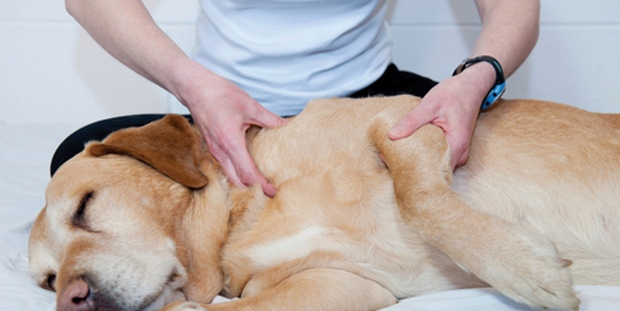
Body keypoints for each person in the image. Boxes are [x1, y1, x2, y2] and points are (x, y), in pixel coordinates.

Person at [55, 0, 540, 198]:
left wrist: (476, 78)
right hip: (221, 113)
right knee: (78, 163)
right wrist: (192, 84)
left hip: (363, 108)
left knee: (498, 161)